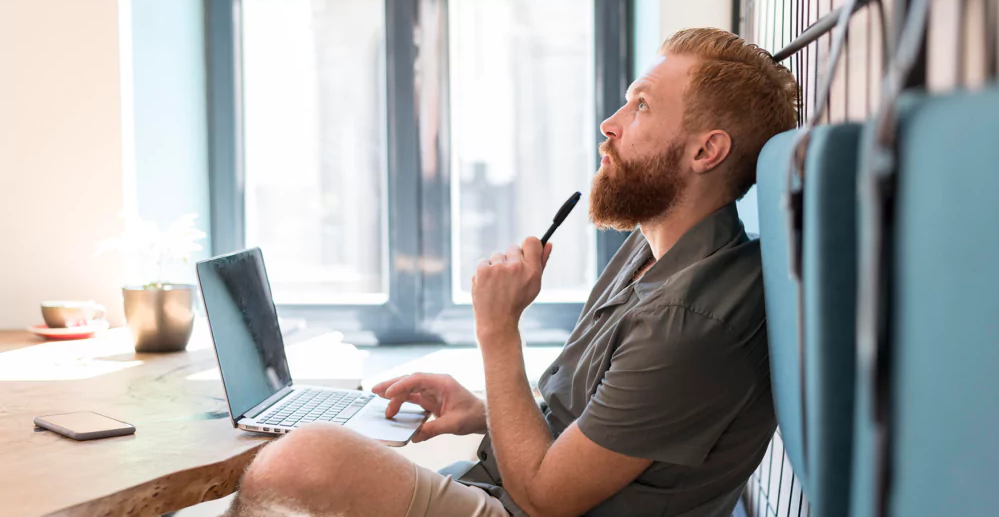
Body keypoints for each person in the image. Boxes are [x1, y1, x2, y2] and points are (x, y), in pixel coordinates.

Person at [226, 27, 799, 517]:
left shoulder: (690, 322)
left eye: (642, 105)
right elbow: (584, 424)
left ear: (706, 152)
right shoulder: (649, 252)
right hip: (506, 488)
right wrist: (479, 411)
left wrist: (497, 330)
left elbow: (549, 496)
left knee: (305, 461)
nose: (610, 123)